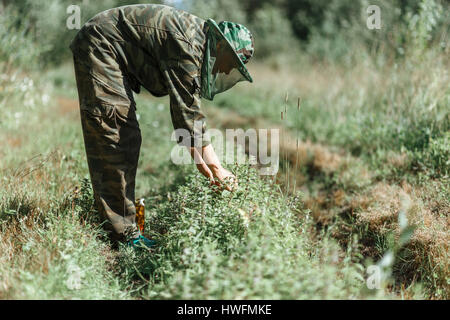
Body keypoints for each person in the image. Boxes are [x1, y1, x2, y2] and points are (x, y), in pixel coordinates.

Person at [69, 4, 254, 248]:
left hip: (107, 46)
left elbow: (186, 118)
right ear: (219, 45)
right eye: (229, 61)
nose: (227, 69)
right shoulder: (188, 46)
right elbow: (187, 110)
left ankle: (113, 223)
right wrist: (218, 169)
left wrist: (203, 164)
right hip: (101, 44)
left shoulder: (198, 40)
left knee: (125, 135)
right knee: (116, 133)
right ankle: (122, 236)